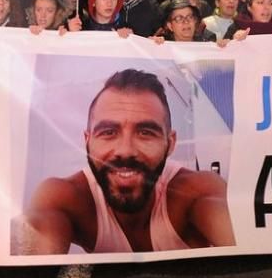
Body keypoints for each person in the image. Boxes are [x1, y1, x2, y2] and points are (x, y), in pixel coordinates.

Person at [12, 69, 235, 254]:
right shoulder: (66, 196)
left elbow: (243, 239)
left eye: (146, 132)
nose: (126, 151)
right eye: (108, 132)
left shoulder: (198, 191)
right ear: (87, 141)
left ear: (171, 143)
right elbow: (29, 267)